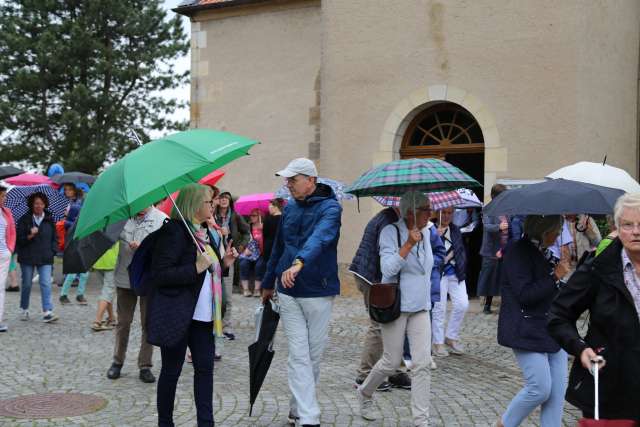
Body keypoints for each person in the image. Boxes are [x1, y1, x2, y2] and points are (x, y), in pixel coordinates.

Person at [262, 158, 342, 427]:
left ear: (311, 180)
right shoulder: (290, 208)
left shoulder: (331, 208)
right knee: (298, 353)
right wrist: (267, 281)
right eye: (286, 180)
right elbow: (279, 247)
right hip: (287, 291)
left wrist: (300, 262)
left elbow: (321, 237)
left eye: (292, 180)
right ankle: (309, 417)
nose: (288, 184)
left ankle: (297, 407)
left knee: (313, 355)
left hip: (318, 290)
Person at [150, 183, 238, 427]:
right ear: (194, 205)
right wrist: (194, 268)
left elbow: (211, 269)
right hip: (178, 315)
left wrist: (225, 263)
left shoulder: (205, 233)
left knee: (205, 371)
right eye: (208, 202)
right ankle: (165, 423)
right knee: (171, 372)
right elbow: (160, 275)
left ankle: (205, 423)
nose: (212, 205)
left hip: (204, 317)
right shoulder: (174, 233)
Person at [548, 193, 640, 422]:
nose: (636, 231)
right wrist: (580, 348)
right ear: (617, 228)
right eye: (628, 225)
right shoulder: (598, 268)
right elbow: (558, 316)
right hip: (611, 390)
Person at [356, 191, 433, 426]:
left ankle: (421, 420)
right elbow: (387, 269)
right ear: (412, 212)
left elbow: (426, 268)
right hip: (397, 305)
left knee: (422, 364)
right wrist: (408, 244)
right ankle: (365, 392)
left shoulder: (428, 232)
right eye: (426, 210)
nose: (431, 214)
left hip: (420, 306)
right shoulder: (390, 231)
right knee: (391, 362)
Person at [496, 215, 568, 427]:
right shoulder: (517, 251)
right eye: (557, 231)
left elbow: (550, 291)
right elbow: (525, 294)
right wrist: (555, 276)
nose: (558, 237)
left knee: (556, 394)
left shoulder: (543, 252)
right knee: (539, 388)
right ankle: (505, 424)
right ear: (545, 232)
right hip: (525, 327)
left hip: (552, 327)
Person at [106, 204, 167, 383]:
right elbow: (109, 239)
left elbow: (166, 251)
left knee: (148, 323)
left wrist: (144, 249)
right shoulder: (122, 218)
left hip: (149, 278)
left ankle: (145, 365)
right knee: (123, 322)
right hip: (125, 276)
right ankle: (117, 361)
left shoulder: (161, 220)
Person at [432, 206, 469, 357]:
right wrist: (437, 237)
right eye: (444, 213)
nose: (446, 216)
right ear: (437, 213)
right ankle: (438, 342)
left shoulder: (455, 229)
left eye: (449, 213)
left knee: (462, 304)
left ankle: (451, 336)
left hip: (456, 272)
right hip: (439, 273)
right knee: (439, 308)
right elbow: (429, 251)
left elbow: (460, 249)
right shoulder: (431, 229)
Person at [16, 192, 58, 323]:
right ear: (32, 205)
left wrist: (53, 251)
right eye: (36, 203)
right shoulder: (25, 219)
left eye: (41, 203)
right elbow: (19, 240)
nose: (38, 206)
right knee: (27, 284)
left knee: (45, 283)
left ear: (45, 204)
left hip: (45, 257)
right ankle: (24, 308)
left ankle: (47, 311)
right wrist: (30, 235)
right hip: (27, 257)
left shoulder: (50, 219)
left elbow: (54, 238)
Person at [214, 191, 249, 339]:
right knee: (215, 295)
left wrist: (240, 248)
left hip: (229, 259)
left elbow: (247, 233)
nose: (223, 201)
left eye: (226, 199)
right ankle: (215, 326)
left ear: (229, 202)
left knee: (227, 296)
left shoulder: (235, 217)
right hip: (215, 257)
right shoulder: (212, 215)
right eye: (221, 198)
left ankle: (226, 326)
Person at [478, 184, 509, 314]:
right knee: (489, 278)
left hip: (504, 249)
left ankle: (506, 305)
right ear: (494, 196)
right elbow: (487, 227)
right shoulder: (487, 210)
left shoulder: (507, 210)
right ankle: (487, 304)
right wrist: (499, 227)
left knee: (504, 278)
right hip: (490, 250)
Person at [59, 201, 89, 305]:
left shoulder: (77, 224)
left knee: (85, 274)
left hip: (81, 252)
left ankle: (80, 295)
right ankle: (63, 295)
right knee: (71, 275)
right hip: (72, 253)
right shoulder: (68, 224)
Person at [91, 243, 119, 331]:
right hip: (111, 262)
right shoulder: (116, 229)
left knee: (107, 291)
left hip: (98, 261)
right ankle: (97, 321)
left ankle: (111, 318)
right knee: (108, 291)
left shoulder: (96, 229)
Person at [0, 186, 15, 331]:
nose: (4, 199)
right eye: (2, 196)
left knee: (0, 288)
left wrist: (10, 249)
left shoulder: (7, 212)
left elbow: (12, 231)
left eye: (5, 196)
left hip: (4, 254)